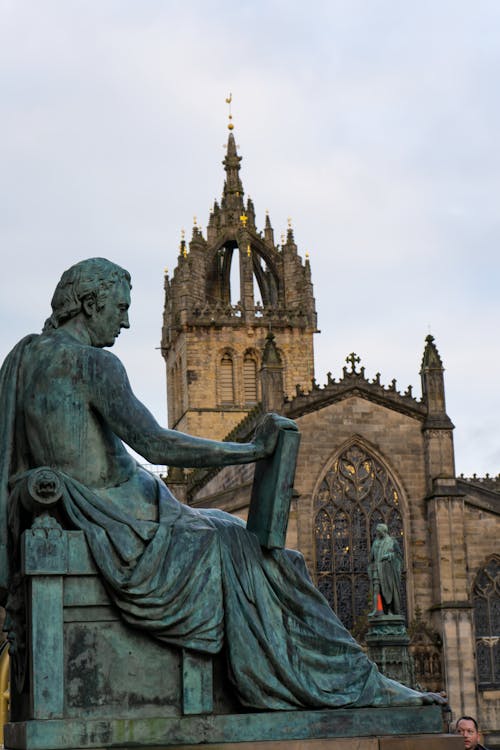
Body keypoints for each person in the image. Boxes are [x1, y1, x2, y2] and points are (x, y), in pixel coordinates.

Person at [0, 258, 446, 711]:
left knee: (251, 544)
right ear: (90, 303)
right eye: (119, 308)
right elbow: (156, 444)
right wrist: (252, 452)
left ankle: (356, 679)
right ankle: (353, 685)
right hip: (126, 518)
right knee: (270, 559)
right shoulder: (94, 364)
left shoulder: (23, 357)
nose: (126, 320)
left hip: (112, 510)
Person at [368, 522, 402, 616]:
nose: (377, 533)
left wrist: (389, 556)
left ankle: (390, 610)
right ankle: (376, 609)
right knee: (376, 589)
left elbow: (398, 556)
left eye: (379, 532)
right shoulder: (375, 542)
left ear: (384, 531)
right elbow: (371, 557)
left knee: (389, 590)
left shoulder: (392, 541)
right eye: (377, 532)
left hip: (388, 570)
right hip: (377, 568)